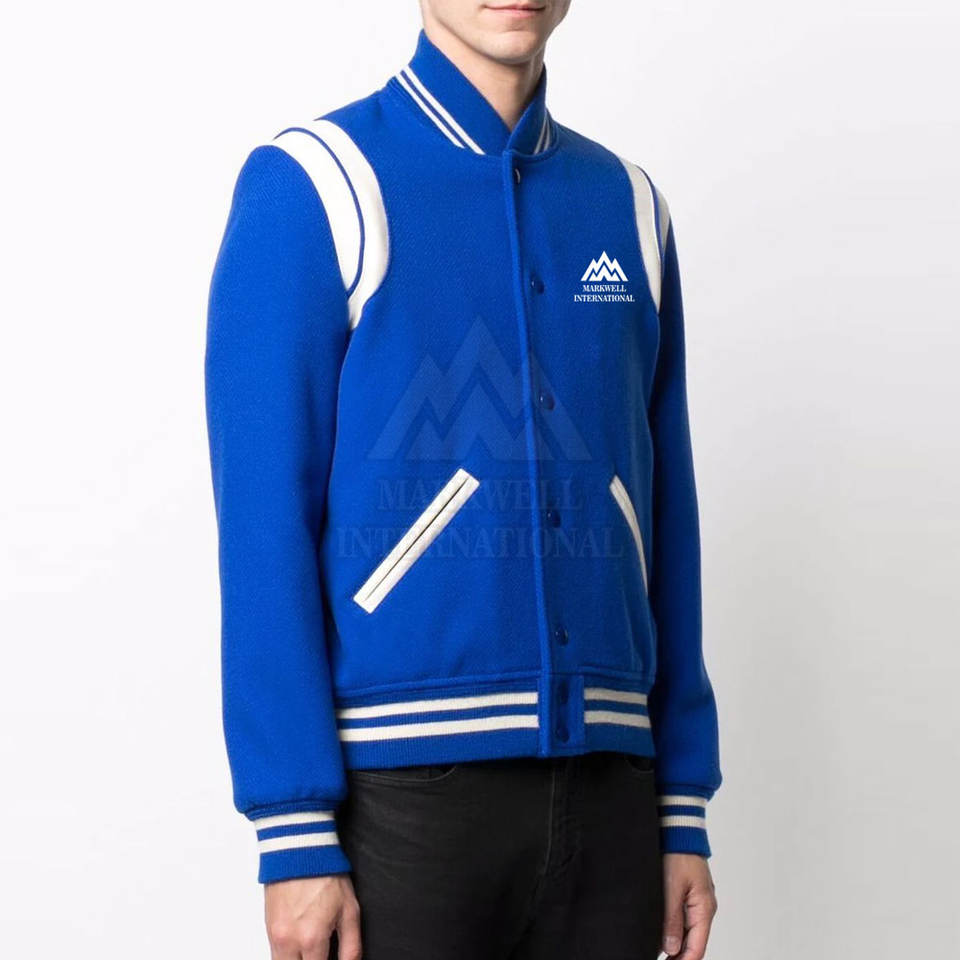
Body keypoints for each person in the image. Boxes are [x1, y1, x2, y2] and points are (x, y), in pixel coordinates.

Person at [205, 1, 721, 957]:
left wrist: (681, 802)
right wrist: (293, 826)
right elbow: (261, 524)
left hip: (614, 792)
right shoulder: (316, 185)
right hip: (403, 806)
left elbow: (668, 511)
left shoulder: (629, 204)